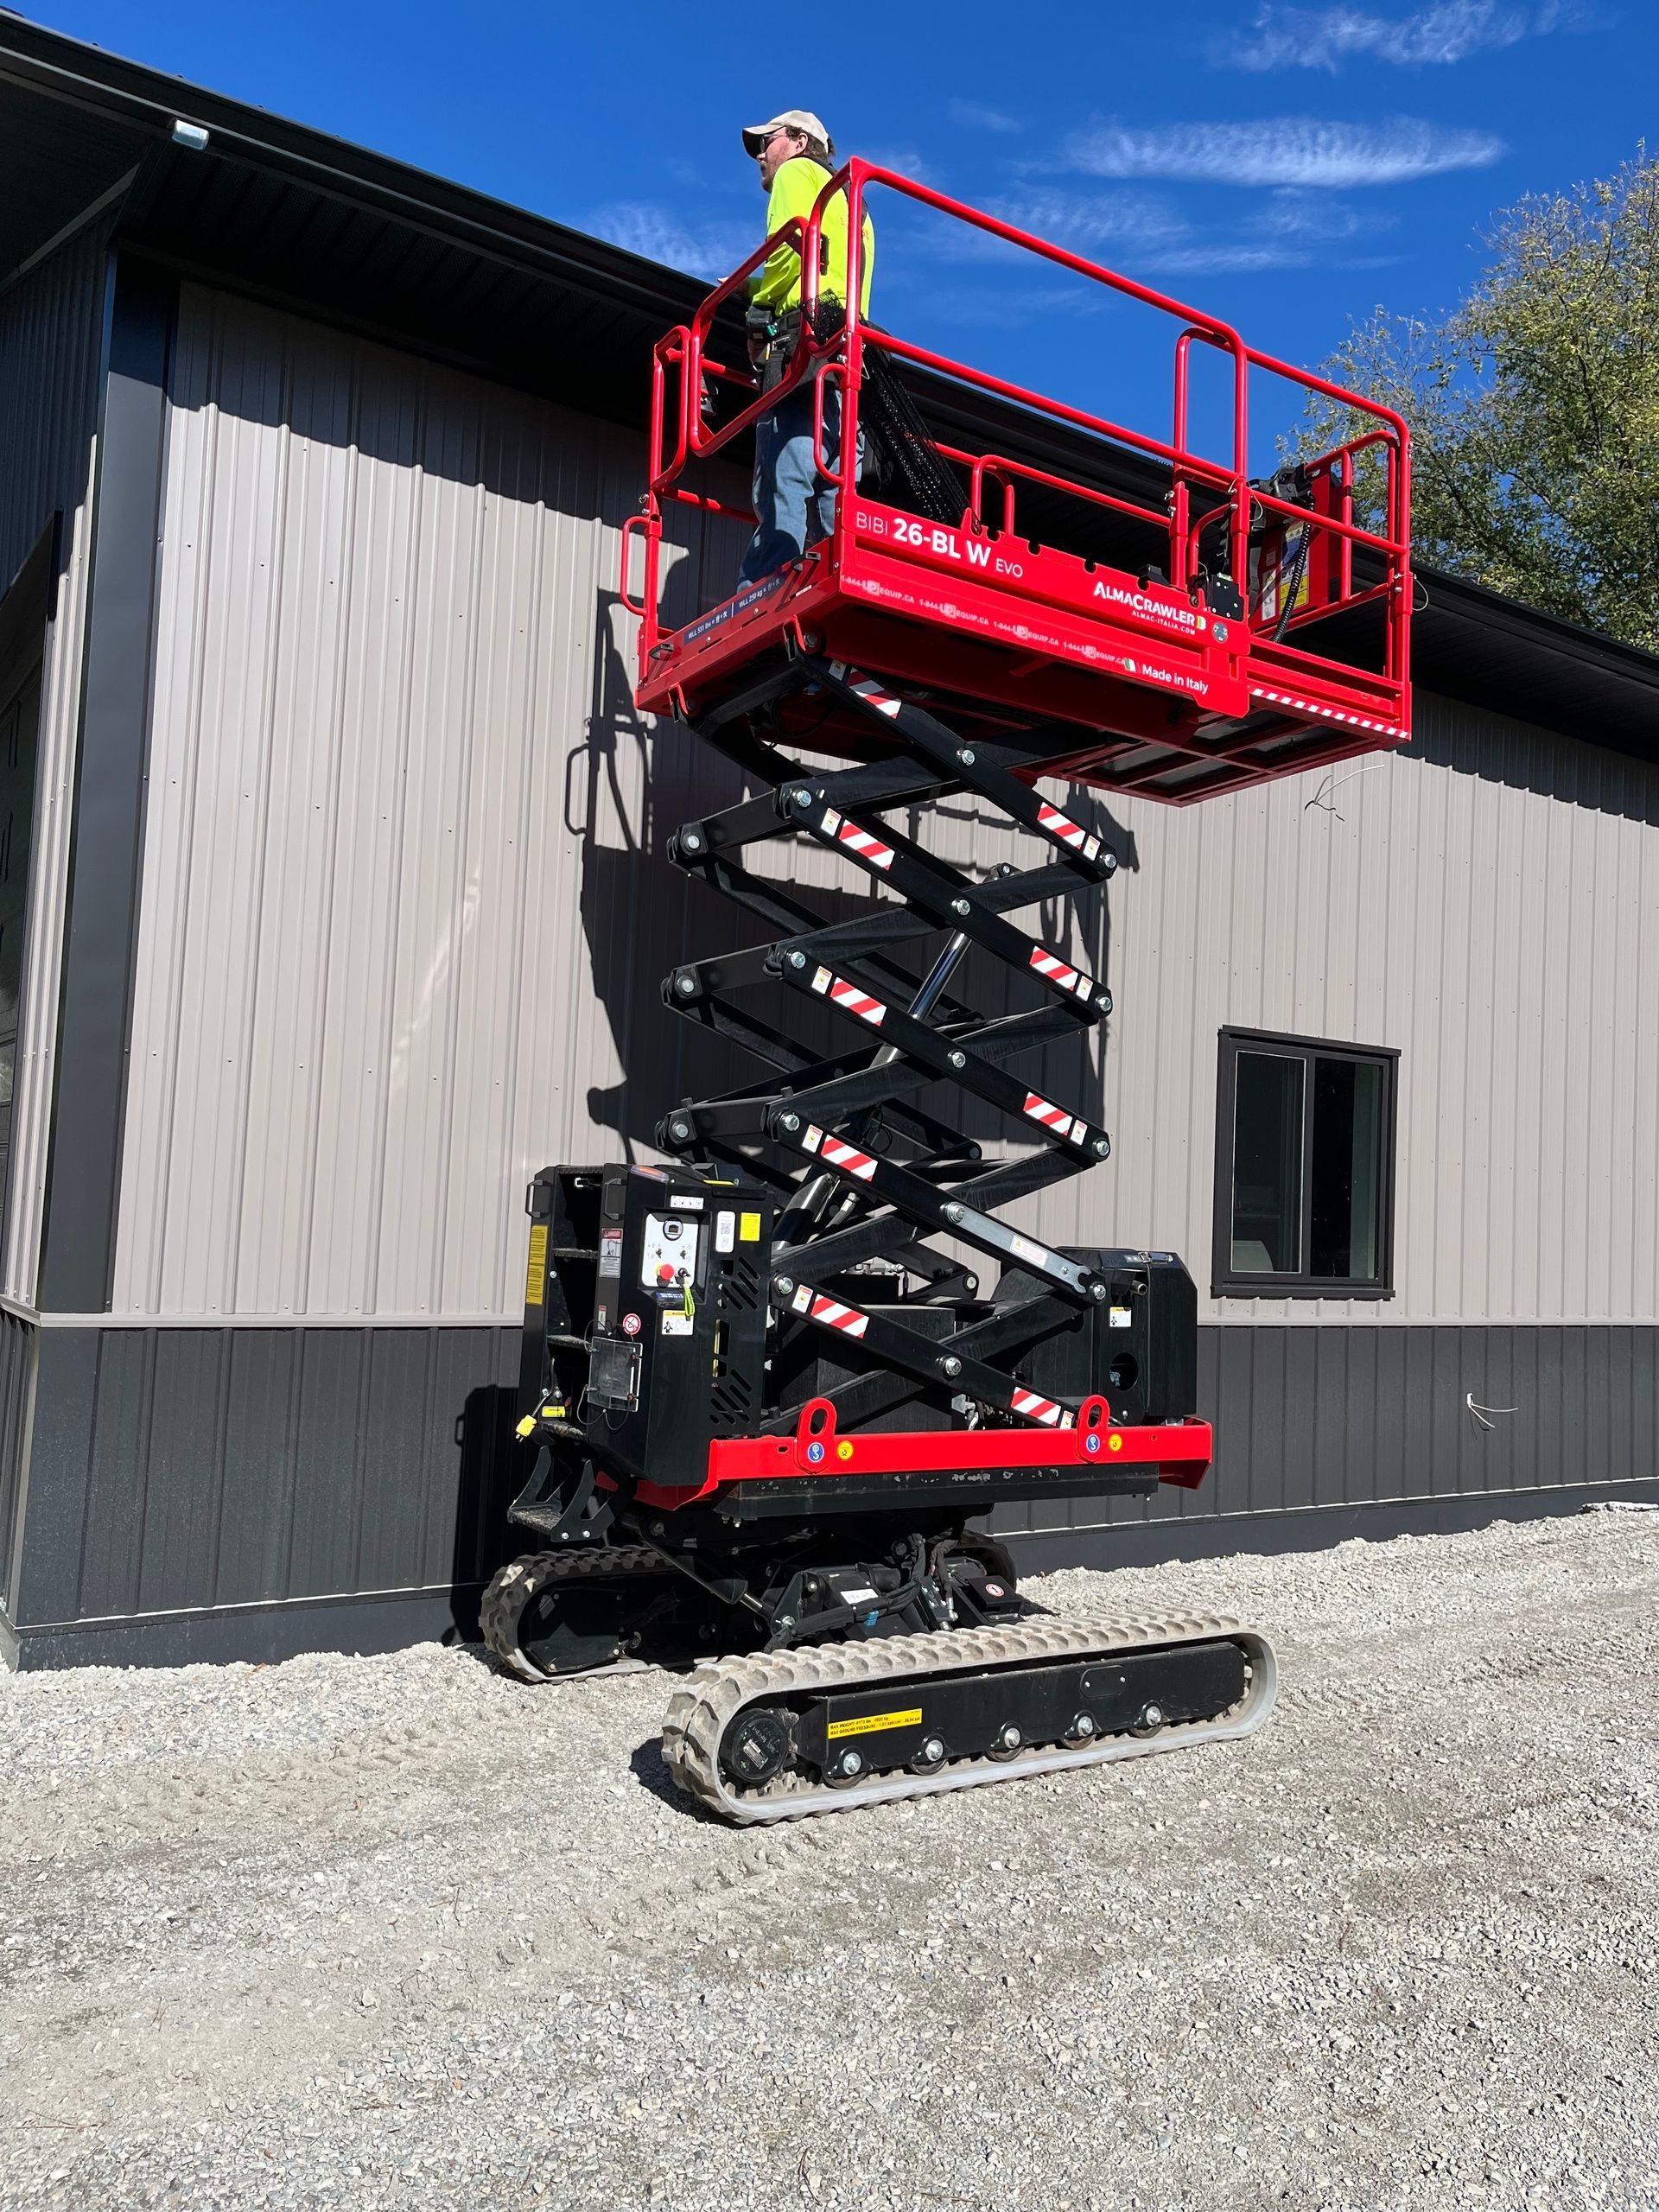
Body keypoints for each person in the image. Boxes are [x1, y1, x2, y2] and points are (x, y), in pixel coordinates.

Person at [737, 110, 875, 583]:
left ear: (797, 142)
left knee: (784, 477)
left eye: (766, 142)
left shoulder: (796, 173)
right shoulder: (854, 202)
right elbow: (834, 270)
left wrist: (760, 302)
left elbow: (785, 247)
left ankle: (765, 590)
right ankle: (848, 571)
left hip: (803, 343)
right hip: (846, 349)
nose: (759, 155)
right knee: (837, 480)